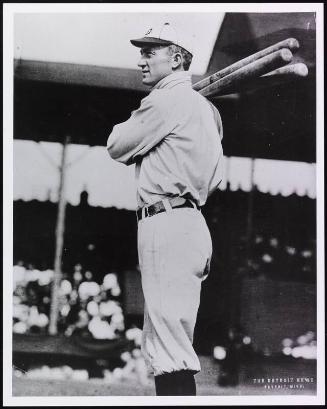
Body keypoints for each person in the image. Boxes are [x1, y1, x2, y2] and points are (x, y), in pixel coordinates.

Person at [107, 22, 224, 395]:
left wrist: (138, 118)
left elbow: (117, 145)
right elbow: (217, 177)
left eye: (149, 52)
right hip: (193, 225)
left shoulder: (164, 100)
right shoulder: (207, 111)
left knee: (167, 346)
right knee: (171, 338)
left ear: (176, 58)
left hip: (166, 222)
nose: (141, 60)